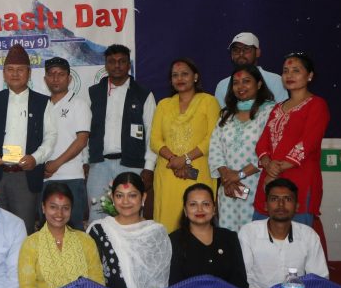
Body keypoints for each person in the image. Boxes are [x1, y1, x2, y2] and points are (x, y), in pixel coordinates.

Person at [0, 44, 57, 234]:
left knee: (24, 228)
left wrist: (36, 158)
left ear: (29, 73)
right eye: (10, 70)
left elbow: (51, 136)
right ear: (4, 73)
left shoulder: (42, 102)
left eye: (20, 70)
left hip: (25, 175)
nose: (15, 74)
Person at [253, 52, 330, 228]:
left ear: (309, 75)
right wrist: (267, 163)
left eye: (296, 70)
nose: (289, 75)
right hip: (270, 177)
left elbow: (308, 143)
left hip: (299, 176)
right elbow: (263, 142)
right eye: (285, 71)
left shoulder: (317, 104)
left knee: (297, 235)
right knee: (261, 233)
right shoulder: (277, 108)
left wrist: (276, 169)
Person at [87, 172, 170, 288]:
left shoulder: (155, 233)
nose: (125, 201)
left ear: (143, 197)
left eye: (132, 195)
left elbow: (160, 278)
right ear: (112, 198)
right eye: (119, 195)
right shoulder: (98, 229)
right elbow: (89, 275)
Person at [87, 45, 157, 223]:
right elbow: (85, 131)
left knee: (130, 215)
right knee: (97, 215)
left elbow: (152, 133)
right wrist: (85, 161)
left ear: (129, 65)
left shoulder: (143, 94)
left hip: (132, 164)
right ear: (106, 65)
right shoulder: (93, 93)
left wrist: (149, 167)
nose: (117, 65)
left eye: (122, 61)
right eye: (112, 61)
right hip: (99, 165)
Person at [150, 58, 220, 232]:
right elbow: (155, 140)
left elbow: (212, 138)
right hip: (168, 172)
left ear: (195, 77)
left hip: (198, 171)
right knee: (168, 222)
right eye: (175, 75)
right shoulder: (163, 105)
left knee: (198, 221)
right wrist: (174, 159)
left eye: (184, 74)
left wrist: (185, 159)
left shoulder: (209, 102)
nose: (180, 78)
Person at [18, 182, 103, 288]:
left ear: (71, 210)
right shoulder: (30, 244)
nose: (59, 213)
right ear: (43, 208)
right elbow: (26, 287)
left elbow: (98, 281)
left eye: (65, 208)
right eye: (53, 207)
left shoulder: (85, 241)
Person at [208, 65, 275, 232]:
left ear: (259, 84)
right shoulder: (226, 114)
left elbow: (270, 149)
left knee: (254, 235)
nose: (240, 86)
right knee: (229, 236)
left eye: (246, 81)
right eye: (236, 83)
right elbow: (215, 147)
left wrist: (239, 175)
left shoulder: (270, 111)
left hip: (256, 185)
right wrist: (226, 175)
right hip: (229, 189)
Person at [239, 178, 329, 288]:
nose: (281, 204)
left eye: (287, 199)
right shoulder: (248, 233)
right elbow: (243, 278)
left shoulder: (309, 236)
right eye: (274, 199)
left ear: (297, 206)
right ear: (265, 206)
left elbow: (319, 280)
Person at [168, 183, 248, 288]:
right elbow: (174, 287)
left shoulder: (229, 238)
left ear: (214, 209)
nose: (200, 209)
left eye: (206, 204)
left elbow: (240, 282)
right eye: (193, 204)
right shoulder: (173, 241)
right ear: (185, 211)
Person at [42, 57, 90, 230]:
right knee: (46, 232)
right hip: (44, 179)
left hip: (71, 177)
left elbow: (82, 140)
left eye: (61, 74)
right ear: (45, 79)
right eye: (51, 74)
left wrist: (56, 163)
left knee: (74, 231)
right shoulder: (42, 105)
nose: (56, 79)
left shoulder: (79, 104)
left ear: (69, 79)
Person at [214, 32, 287, 107]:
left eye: (246, 49)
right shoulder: (222, 86)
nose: (241, 53)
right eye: (236, 50)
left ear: (257, 52)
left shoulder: (275, 81)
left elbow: (283, 112)